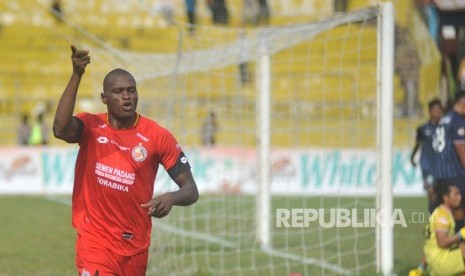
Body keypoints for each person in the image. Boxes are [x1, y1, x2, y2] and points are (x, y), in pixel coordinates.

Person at [53, 45, 199, 275]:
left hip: (135, 245)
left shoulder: (157, 135)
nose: (127, 97)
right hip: (95, 242)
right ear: (104, 98)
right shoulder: (92, 127)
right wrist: (76, 75)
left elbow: (191, 189)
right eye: (119, 91)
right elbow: (60, 129)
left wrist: (172, 197)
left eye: (131, 90)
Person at [433, 91, 465, 231]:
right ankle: (459, 244)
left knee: (446, 212)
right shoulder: (458, 121)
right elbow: (461, 150)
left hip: (440, 174)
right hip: (454, 174)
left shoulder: (444, 119)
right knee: (459, 210)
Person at [423, 181, 465, 275]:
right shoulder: (442, 215)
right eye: (456, 194)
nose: (460, 197)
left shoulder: (441, 212)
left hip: (434, 262)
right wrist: (461, 234)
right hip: (440, 262)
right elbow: (442, 242)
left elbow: (430, 246)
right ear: (446, 198)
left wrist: (420, 268)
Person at [410, 99, 444, 213]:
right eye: (435, 110)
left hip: (442, 166)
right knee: (431, 191)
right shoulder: (423, 129)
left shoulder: (446, 128)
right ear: (430, 111)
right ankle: (432, 221)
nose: (437, 113)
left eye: (439, 110)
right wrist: (412, 157)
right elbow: (417, 144)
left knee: (442, 194)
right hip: (428, 166)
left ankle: (440, 220)